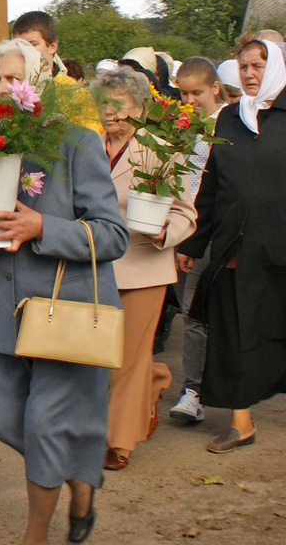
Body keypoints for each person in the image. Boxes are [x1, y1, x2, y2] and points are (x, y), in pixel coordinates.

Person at [0, 39, 128, 545]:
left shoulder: (76, 142)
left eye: (14, 79)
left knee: (46, 428)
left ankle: (36, 535)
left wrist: (42, 226)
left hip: (65, 316)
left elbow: (113, 234)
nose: (4, 88)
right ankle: (82, 480)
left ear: (39, 86)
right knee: (10, 426)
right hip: (1, 321)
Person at [176, 38, 286, 454]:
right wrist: (193, 241)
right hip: (235, 248)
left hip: (280, 250)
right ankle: (241, 422)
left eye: (258, 65)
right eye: (243, 66)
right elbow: (210, 188)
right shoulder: (230, 121)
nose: (250, 73)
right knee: (234, 332)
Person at [94, 67, 197, 470]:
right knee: (103, 355)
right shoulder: (89, 147)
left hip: (143, 268)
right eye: (105, 105)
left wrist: (163, 233)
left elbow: (186, 212)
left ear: (139, 108)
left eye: (119, 107)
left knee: (125, 358)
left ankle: (118, 441)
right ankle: (154, 381)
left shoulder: (159, 149)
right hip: (96, 267)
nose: (111, 114)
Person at [168, 57, 226, 424]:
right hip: (180, 227)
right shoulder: (180, 124)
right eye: (183, 92)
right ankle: (197, 387)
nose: (189, 99)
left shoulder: (228, 123)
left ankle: (198, 388)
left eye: (197, 92)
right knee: (188, 309)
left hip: (210, 230)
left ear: (215, 88)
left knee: (198, 312)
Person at [11, 11, 103, 133]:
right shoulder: (8, 88)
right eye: (19, 46)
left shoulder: (74, 93)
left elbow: (89, 139)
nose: (25, 52)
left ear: (52, 46)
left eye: (32, 45)